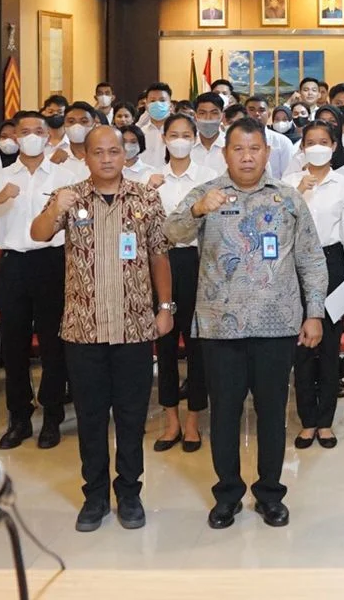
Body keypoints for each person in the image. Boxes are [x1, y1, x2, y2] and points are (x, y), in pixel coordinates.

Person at [166, 119, 326, 530]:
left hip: (277, 325)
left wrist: (314, 312)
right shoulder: (207, 194)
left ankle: (270, 493)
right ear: (226, 153)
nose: (247, 156)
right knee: (224, 413)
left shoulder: (288, 198)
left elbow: (310, 257)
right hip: (222, 327)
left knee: (273, 412)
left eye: (255, 148)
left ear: (267, 153)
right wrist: (198, 210)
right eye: (238, 148)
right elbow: (170, 232)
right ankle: (228, 494)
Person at [30, 125, 172, 531]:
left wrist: (165, 307)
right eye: (98, 152)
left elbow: (159, 256)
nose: (107, 158)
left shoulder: (145, 196)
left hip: (134, 327)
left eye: (115, 151)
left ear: (126, 154)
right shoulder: (70, 197)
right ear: (86, 157)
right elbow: (37, 234)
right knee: (91, 418)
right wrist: (55, 207)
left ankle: (129, 493)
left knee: (131, 416)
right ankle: (94, 497)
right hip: (83, 329)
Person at [0, 110, 72, 451]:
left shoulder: (67, 174)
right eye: (25, 131)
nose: (32, 136)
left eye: (39, 130)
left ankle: (52, 416)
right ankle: (19, 417)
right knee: (14, 344)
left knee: (54, 344)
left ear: (49, 135)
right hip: (13, 265)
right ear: (14, 136)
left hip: (54, 262)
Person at [284, 121, 344, 450]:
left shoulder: (343, 184)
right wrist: (299, 193)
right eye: (310, 142)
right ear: (302, 148)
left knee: (330, 345)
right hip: (296, 264)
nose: (317, 147)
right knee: (302, 344)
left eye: (324, 141)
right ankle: (307, 420)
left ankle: (326, 420)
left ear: (334, 146)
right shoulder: (288, 183)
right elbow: (277, 228)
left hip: (333, 264)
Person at [149, 114, 212, 453]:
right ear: (164, 137)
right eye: (174, 134)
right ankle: (170, 420)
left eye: (186, 134)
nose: (180, 140)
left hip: (196, 263)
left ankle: (192, 422)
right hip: (159, 263)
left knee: (197, 345)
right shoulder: (150, 178)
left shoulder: (206, 178)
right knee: (166, 343)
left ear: (194, 137)